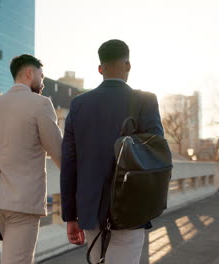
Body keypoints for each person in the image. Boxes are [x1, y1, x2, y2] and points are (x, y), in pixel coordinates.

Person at [60, 39, 164, 263]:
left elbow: (69, 163)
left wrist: (70, 215)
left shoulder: (79, 105)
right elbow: (158, 153)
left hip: (91, 209)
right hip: (132, 207)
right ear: (128, 65)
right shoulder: (145, 100)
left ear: (100, 68)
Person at [0, 54, 62, 264]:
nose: (43, 82)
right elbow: (59, 153)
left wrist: (5, 159)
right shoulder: (40, 104)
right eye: (42, 76)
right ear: (30, 73)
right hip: (23, 203)